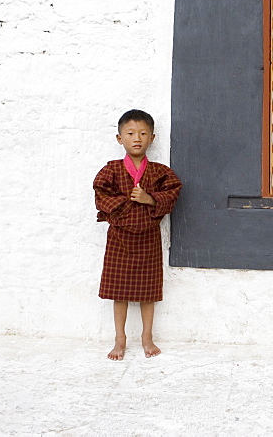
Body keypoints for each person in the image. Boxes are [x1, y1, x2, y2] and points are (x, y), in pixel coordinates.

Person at [93, 109, 182, 360]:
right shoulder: (110, 170)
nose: (137, 138)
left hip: (148, 236)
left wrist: (150, 199)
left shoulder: (159, 172)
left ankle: (147, 336)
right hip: (120, 237)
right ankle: (119, 338)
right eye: (130, 133)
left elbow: (173, 191)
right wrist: (126, 204)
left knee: (148, 290)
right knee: (118, 291)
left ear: (152, 138)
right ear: (119, 138)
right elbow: (101, 195)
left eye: (143, 133)